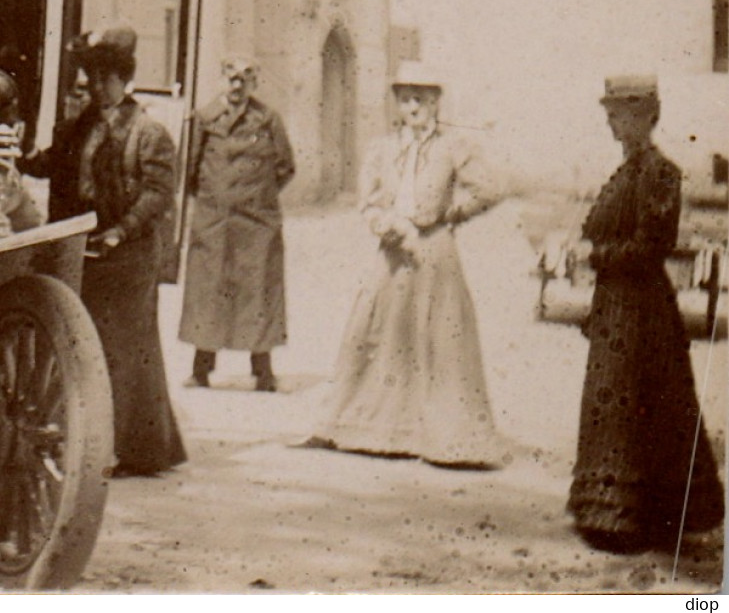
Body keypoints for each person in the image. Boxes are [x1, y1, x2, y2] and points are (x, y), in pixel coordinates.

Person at [307, 61, 504, 467]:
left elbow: (489, 188)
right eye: (405, 98)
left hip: (435, 250)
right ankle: (374, 427)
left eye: (421, 98)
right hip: (393, 252)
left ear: (435, 102)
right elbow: (370, 200)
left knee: (439, 339)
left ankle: (442, 434)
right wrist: (386, 224)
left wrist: (452, 213)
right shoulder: (383, 149)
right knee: (380, 334)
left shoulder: (453, 147)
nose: (412, 106)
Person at [568, 75, 724, 553]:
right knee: (615, 406)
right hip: (617, 306)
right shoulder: (626, 171)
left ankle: (641, 519)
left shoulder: (659, 173)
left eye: (620, 114)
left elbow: (648, 246)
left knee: (641, 405)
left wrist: (593, 256)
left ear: (645, 116)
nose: (612, 123)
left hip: (642, 311)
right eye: (610, 114)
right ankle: (613, 516)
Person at [71, 26, 188, 477]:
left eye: (107, 79)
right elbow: (60, 164)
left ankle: (123, 450)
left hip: (130, 254)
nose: (99, 87)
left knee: (123, 349)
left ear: (125, 81)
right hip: (93, 248)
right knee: (104, 346)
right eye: (93, 79)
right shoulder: (83, 126)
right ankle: (133, 445)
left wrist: (123, 229)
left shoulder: (148, 131)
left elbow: (158, 193)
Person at [178, 56, 295, 391]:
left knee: (258, 291)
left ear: (255, 82)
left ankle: (263, 371)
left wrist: (256, 197)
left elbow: (285, 167)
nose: (237, 84)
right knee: (208, 291)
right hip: (214, 222)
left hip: (256, 224)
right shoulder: (204, 119)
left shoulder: (267, 119)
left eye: (245, 77)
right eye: (231, 76)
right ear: (221, 79)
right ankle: (201, 369)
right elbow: (189, 169)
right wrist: (216, 200)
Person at [21, 71, 97, 222]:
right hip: (64, 224)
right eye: (76, 90)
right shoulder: (67, 130)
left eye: (85, 90)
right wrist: (27, 147)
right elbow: (48, 166)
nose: (79, 96)